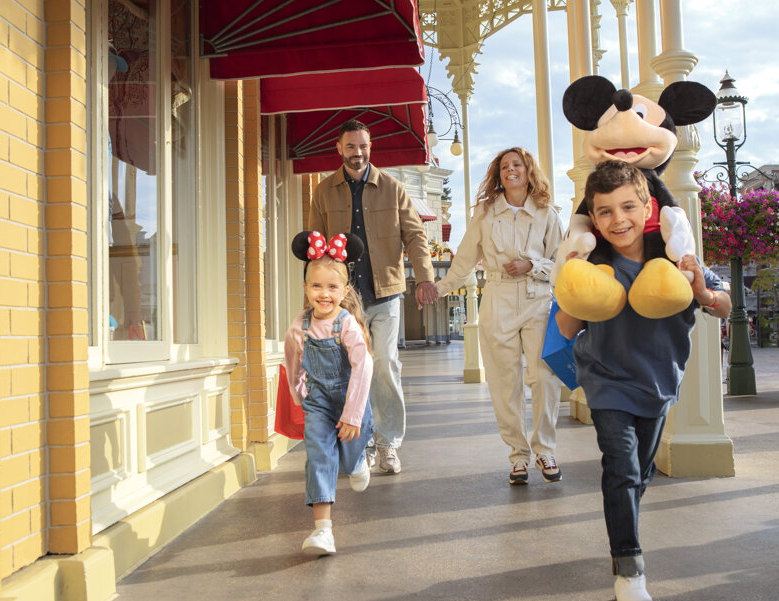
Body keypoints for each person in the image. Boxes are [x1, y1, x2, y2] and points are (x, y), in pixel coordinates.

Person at [555, 161, 731, 601]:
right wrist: (573, 282)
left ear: (649, 207)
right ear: (592, 219)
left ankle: (625, 513)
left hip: (658, 381)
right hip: (605, 380)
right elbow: (564, 327)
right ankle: (629, 569)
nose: (619, 220)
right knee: (621, 465)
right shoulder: (592, 262)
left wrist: (702, 292)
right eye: (606, 212)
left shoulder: (674, 257)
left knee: (639, 472)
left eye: (628, 207)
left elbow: (724, 304)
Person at [308, 119, 438, 474]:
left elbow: (415, 236)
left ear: (370, 147)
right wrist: (315, 293)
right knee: (351, 372)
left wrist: (425, 278)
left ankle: (388, 444)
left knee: (383, 366)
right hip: (345, 300)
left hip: (386, 294)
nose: (358, 153)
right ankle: (361, 443)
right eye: (351, 146)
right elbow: (315, 248)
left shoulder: (393, 188)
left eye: (363, 146)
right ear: (340, 149)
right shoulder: (323, 192)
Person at [435, 147, 565, 484]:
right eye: (504, 166)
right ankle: (518, 456)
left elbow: (563, 263)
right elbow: (463, 261)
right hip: (497, 297)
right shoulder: (486, 213)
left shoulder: (547, 212)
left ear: (528, 170)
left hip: (538, 299)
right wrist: (438, 288)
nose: (511, 170)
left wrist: (532, 265)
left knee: (543, 376)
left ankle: (545, 450)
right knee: (504, 383)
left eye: (516, 165)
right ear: (498, 174)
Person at [284, 231, 375, 555]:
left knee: (349, 462)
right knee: (318, 457)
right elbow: (292, 363)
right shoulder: (299, 327)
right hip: (319, 405)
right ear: (306, 288)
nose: (324, 294)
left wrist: (352, 415)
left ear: (344, 290)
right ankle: (323, 531)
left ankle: (358, 460)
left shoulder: (347, 323)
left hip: (352, 401)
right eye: (317, 286)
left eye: (332, 287)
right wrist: (300, 398)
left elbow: (363, 368)